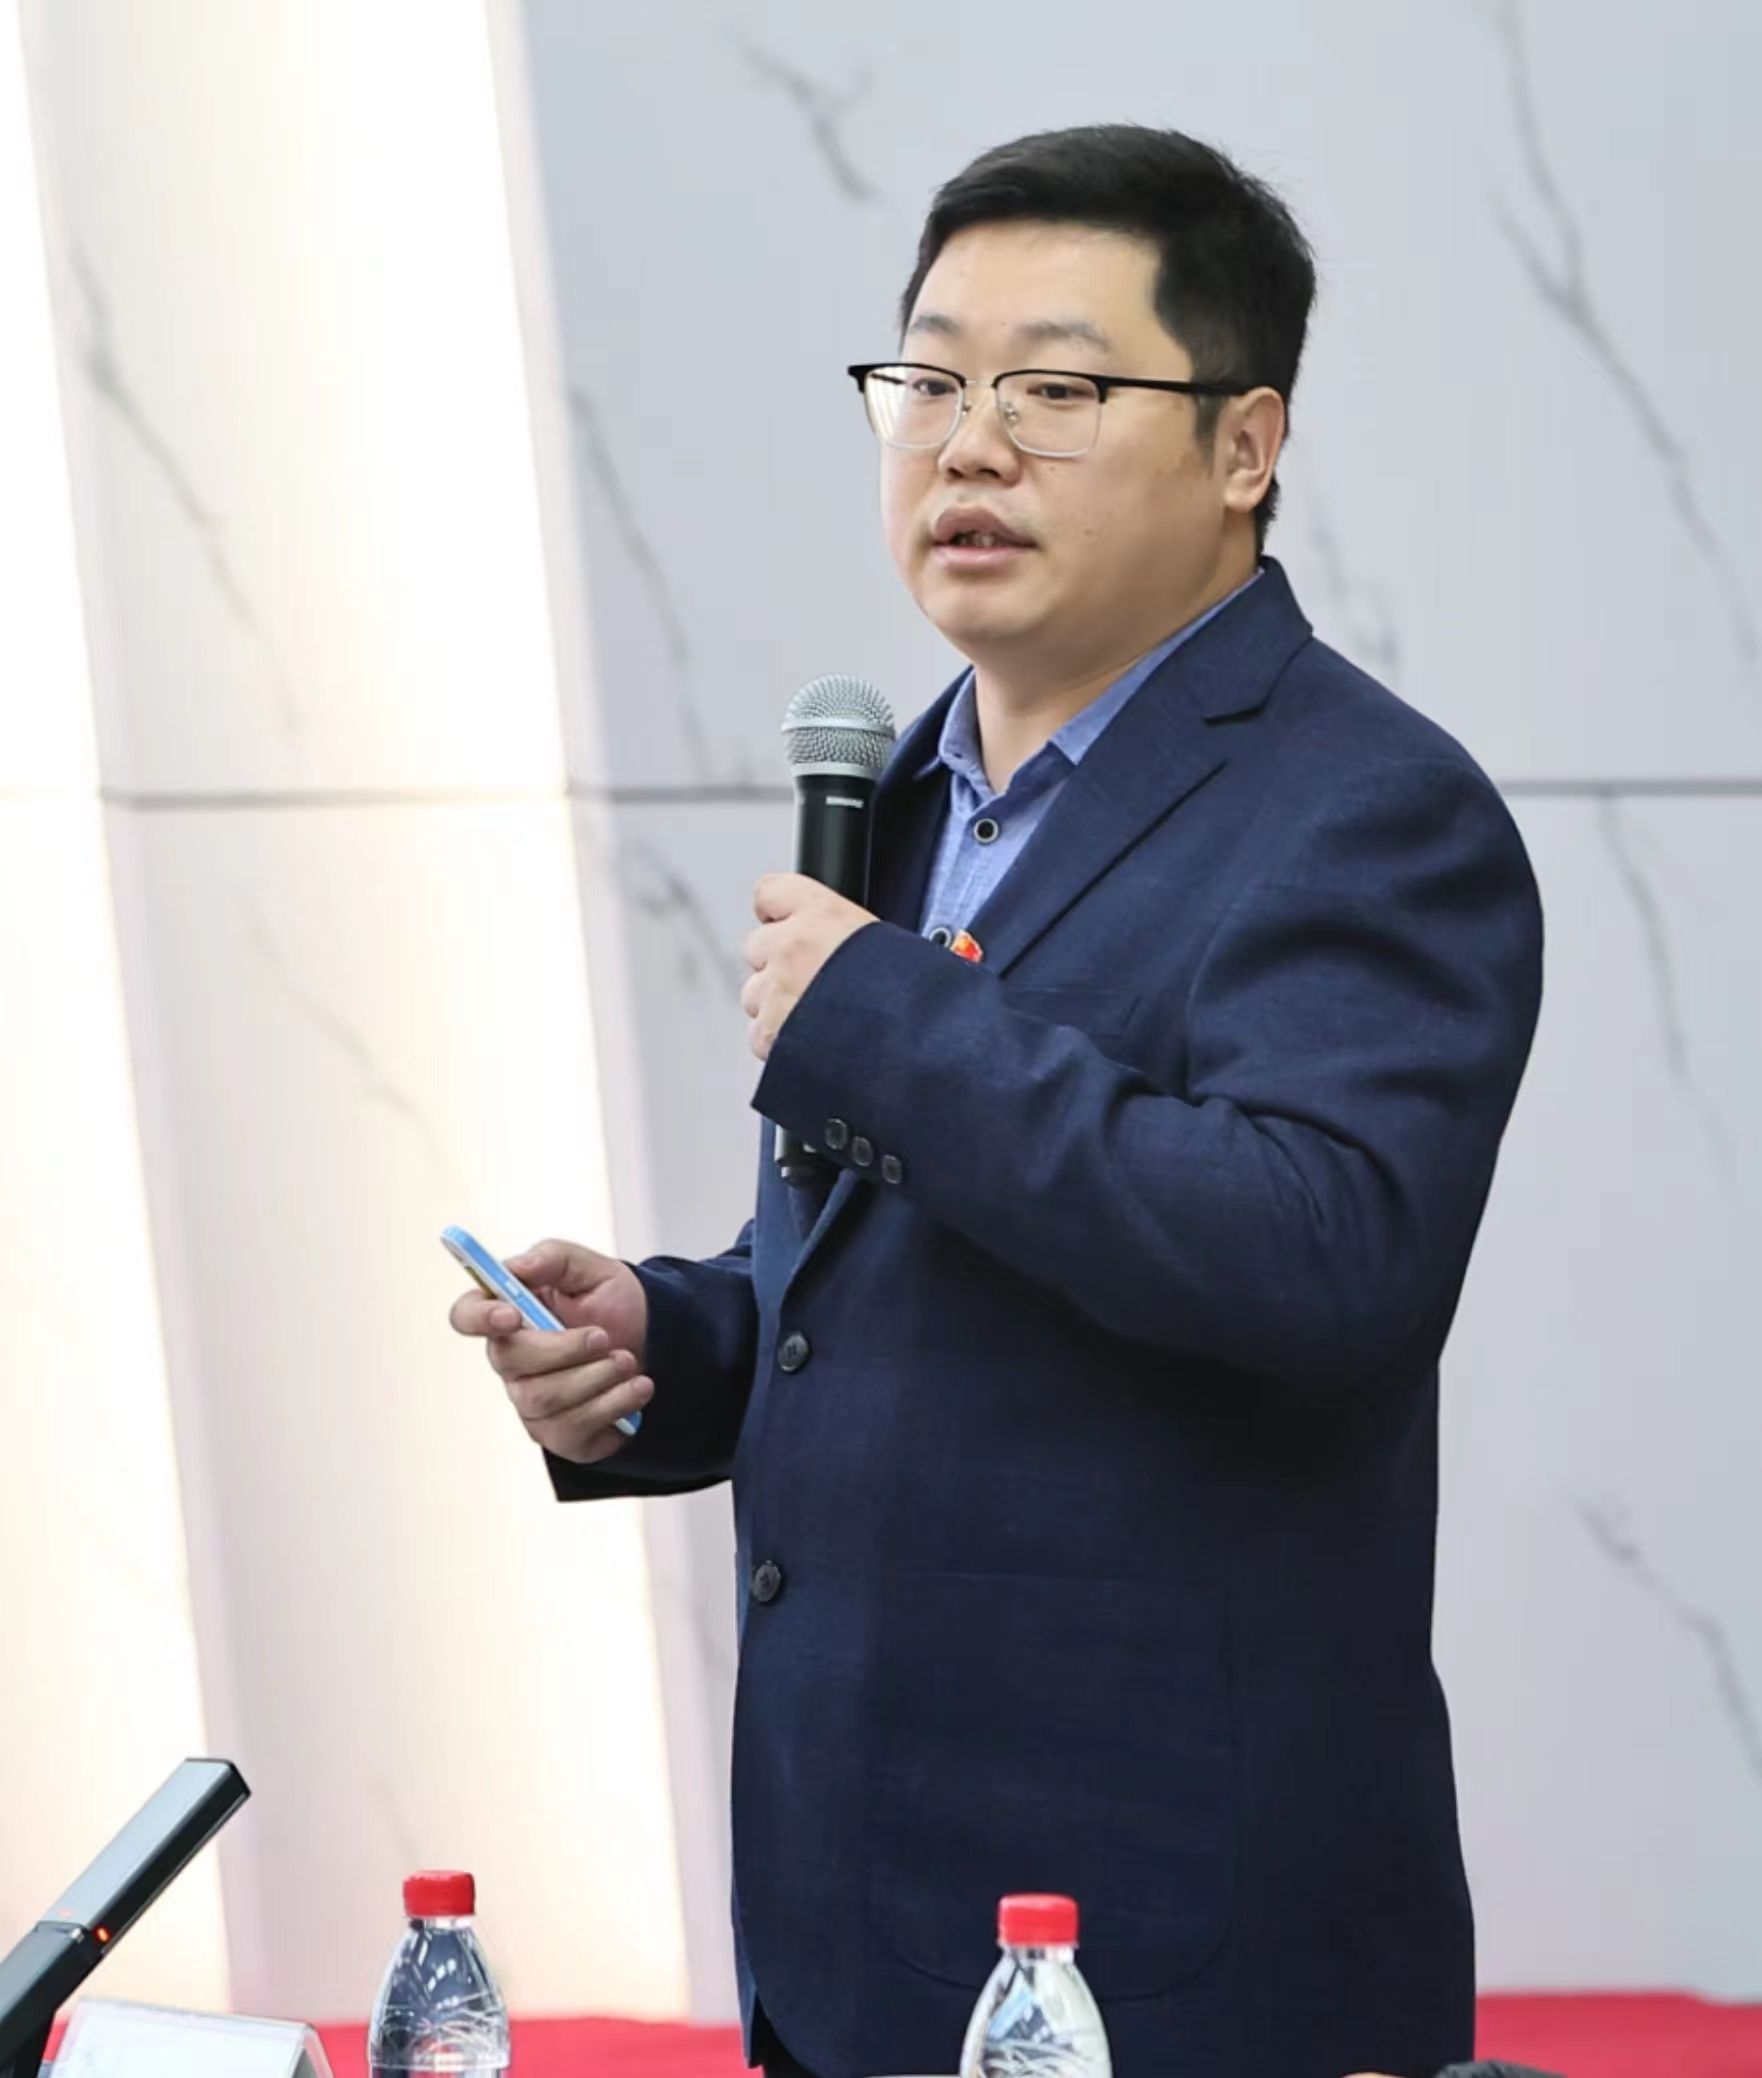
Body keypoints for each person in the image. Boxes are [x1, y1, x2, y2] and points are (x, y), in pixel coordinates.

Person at [450, 125, 1545, 2078]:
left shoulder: (1368, 808)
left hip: (1166, 1952)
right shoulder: (901, 793)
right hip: (851, 1923)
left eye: (1053, 389)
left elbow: (1319, 1261)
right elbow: (916, 1267)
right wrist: (671, 1341)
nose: (966, 447)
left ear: (1241, 444)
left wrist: (887, 1023)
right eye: (930, 383)